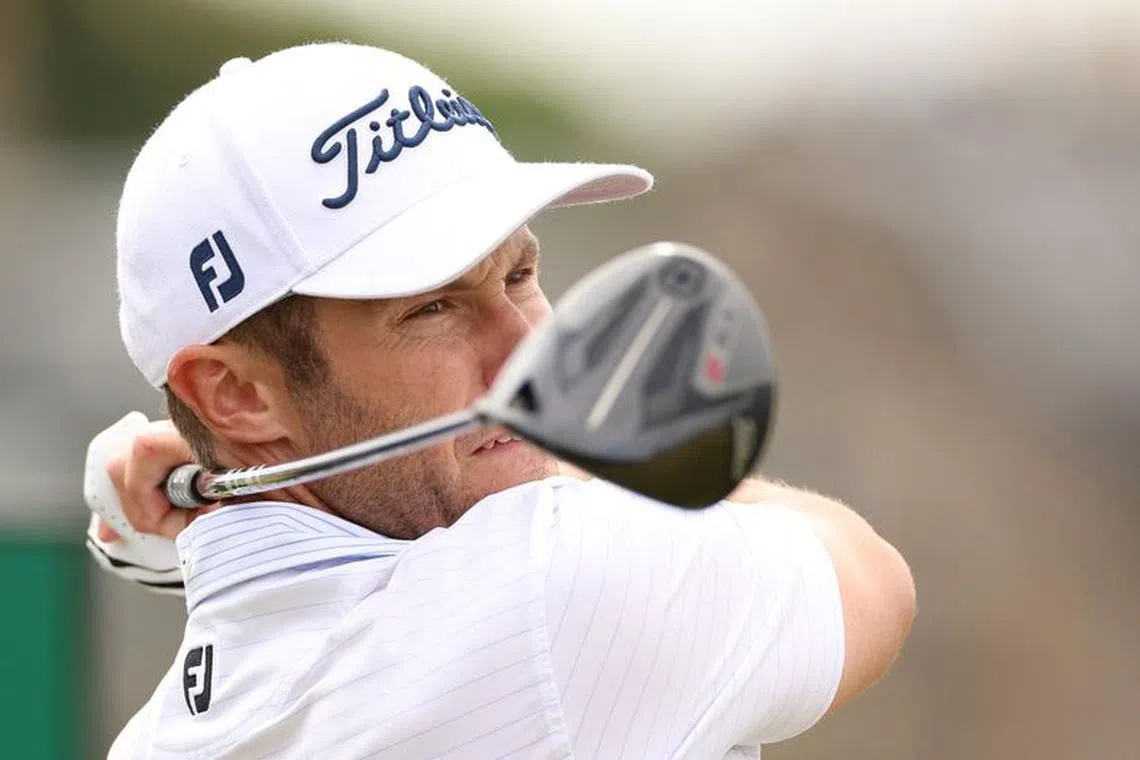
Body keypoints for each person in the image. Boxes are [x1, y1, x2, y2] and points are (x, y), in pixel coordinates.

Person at [89, 42, 916, 759]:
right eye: (432, 307)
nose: (531, 348)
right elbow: (869, 572)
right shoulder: (560, 588)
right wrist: (587, 449)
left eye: (520, 275)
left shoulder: (155, 737)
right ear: (233, 394)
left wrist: (246, 470)